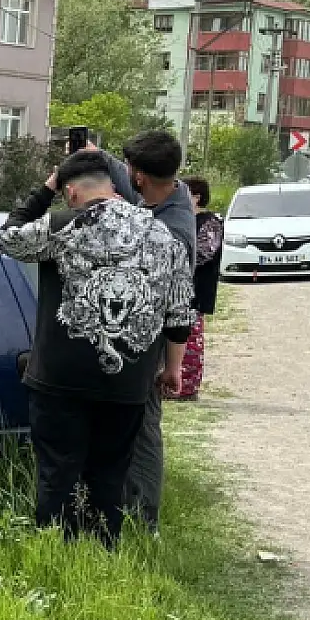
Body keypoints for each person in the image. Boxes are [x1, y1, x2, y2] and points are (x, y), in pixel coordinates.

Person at [0, 150, 194, 546]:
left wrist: (44, 190)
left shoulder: (61, 225)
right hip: (128, 384)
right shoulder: (162, 235)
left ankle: (57, 550)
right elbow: (179, 314)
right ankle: (102, 551)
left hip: (60, 380)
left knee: (57, 473)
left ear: (71, 192)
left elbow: (7, 237)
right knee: (110, 474)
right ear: (113, 186)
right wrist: (173, 369)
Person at [98, 131, 195, 532]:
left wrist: (173, 367)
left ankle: (142, 522)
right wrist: (95, 156)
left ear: (140, 177)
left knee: (143, 431)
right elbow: (125, 178)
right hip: (130, 339)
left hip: (146, 344)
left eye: (130, 169)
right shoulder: (166, 191)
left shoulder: (174, 232)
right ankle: (116, 505)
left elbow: (178, 308)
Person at [175, 178, 224, 400]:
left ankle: (187, 387)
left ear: (196, 197)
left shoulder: (210, 222)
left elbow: (204, 253)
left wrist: (175, 261)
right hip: (180, 289)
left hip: (197, 290)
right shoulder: (184, 219)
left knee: (191, 340)